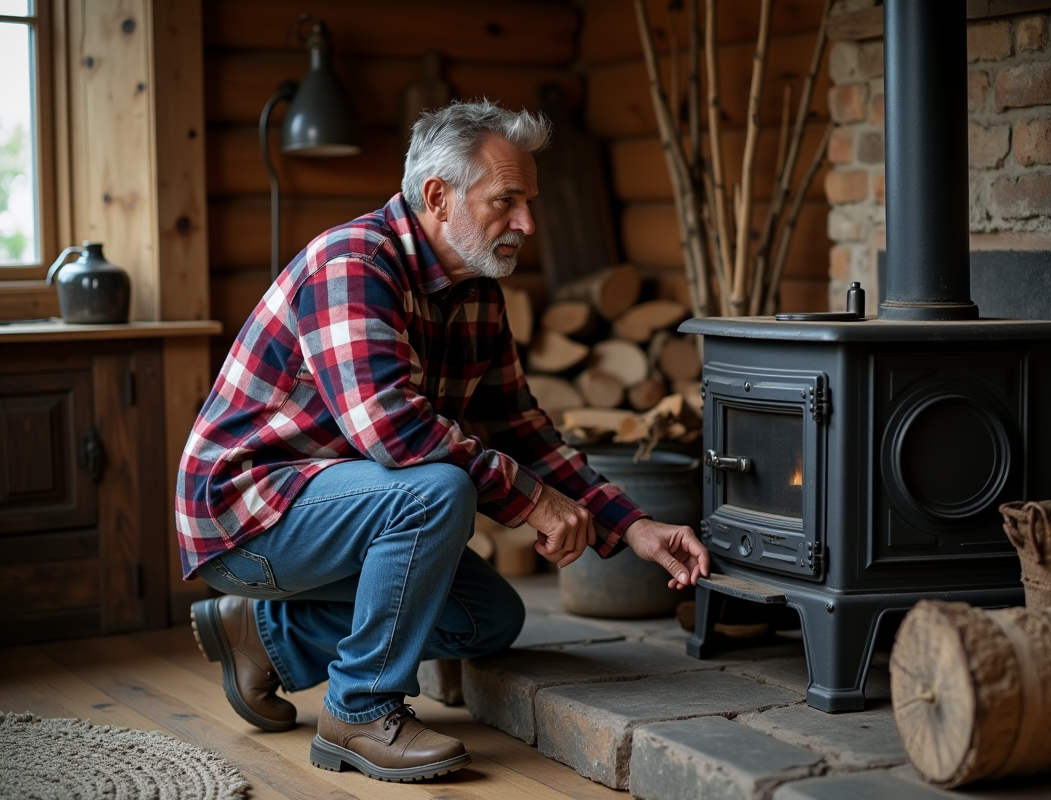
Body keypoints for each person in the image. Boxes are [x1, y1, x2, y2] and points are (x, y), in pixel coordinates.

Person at [176, 99, 709, 784]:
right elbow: (393, 431)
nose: (526, 223)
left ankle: (267, 638)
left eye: (529, 202)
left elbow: (521, 429)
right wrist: (535, 504)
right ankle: (359, 712)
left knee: (486, 617)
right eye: (506, 201)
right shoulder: (353, 261)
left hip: (338, 510)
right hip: (245, 516)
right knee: (433, 489)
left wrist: (631, 526)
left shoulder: (477, 292)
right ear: (437, 196)